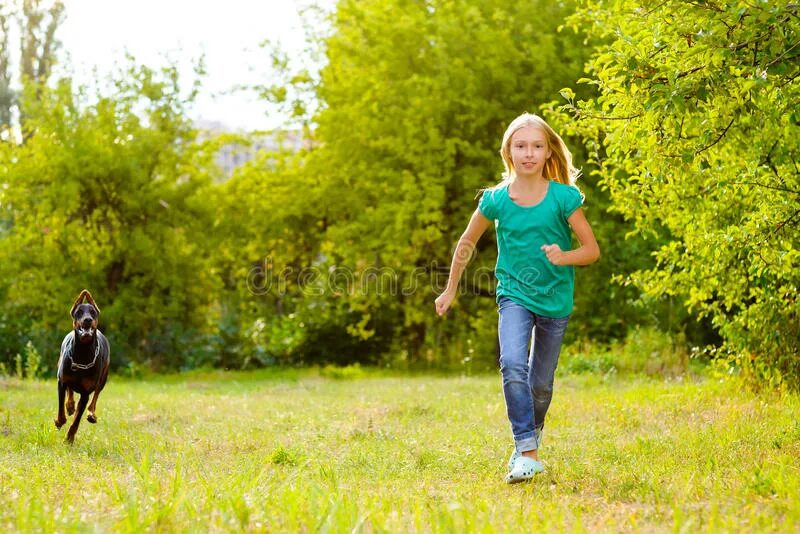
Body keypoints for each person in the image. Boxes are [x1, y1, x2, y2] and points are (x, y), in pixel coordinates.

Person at [435, 112, 600, 483]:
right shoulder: (495, 200)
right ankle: (527, 450)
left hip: (555, 299)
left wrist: (564, 255)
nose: (529, 153)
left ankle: (530, 435)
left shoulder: (563, 197)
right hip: (514, 294)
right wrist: (450, 288)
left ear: (547, 152)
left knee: (540, 384)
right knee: (512, 363)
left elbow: (591, 250)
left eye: (537, 146)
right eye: (521, 145)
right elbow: (466, 242)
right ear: (508, 151)